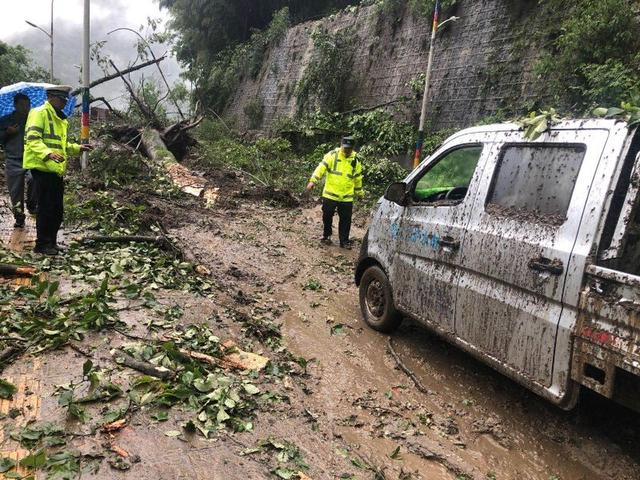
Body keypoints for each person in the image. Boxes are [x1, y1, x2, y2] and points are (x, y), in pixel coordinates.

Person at [23, 85, 92, 255]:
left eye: (65, 100)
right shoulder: (39, 113)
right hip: (42, 168)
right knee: (45, 208)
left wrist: (78, 148)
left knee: (56, 209)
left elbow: (61, 146)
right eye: (61, 99)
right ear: (51, 97)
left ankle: (52, 242)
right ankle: (42, 245)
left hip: (55, 170)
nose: (63, 103)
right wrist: (48, 154)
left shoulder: (59, 118)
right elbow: (33, 140)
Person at [306, 136, 363, 249]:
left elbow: (357, 178)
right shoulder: (332, 155)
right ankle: (326, 235)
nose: (346, 150)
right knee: (327, 216)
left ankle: (344, 241)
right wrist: (313, 181)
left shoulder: (356, 160)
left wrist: (359, 193)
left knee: (346, 220)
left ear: (352, 148)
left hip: (346, 197)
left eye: (349, 149)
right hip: (330, 194)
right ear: (341, 145)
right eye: (345, 148)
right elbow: (321, 168)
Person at [0, 94, 36, 227]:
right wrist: (7, 133)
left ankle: (32, 205)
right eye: (22, 105)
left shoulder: (34, 119)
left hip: (31, 158)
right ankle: (19, 217)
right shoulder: (5, 120)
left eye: (27, 105)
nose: (25, 108)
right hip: (13, 159)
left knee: (34, 180)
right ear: (15, 105)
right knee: (15, 191)